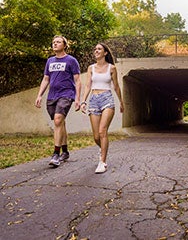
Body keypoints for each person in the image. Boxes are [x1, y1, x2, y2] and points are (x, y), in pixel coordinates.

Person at [35, 35, 81, 167]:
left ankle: (56, 154)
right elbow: (46, 79)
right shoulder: (50, 61)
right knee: (60, 123)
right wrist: (39, 95)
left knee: (58, 120)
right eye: (53, 42)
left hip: (66, 94)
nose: (55, 44)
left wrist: (77, 98)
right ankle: (65, 151)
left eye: (58, 42)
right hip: (52, 96)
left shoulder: (71, 60)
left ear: (65, 45)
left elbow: (77, 80)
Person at [80, 42, 124, 174]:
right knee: (96, 137)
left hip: (107, 99)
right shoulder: (90, 68)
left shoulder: (112, 68)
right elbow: (88, 85)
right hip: (93, 99)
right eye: (95, 49)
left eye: (99, 49)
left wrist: (121, 102)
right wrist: (83, 101)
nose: (96, 51)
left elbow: (116, 86)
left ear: (105, 53)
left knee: (102, 131)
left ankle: (102, 162)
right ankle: (102, 148)